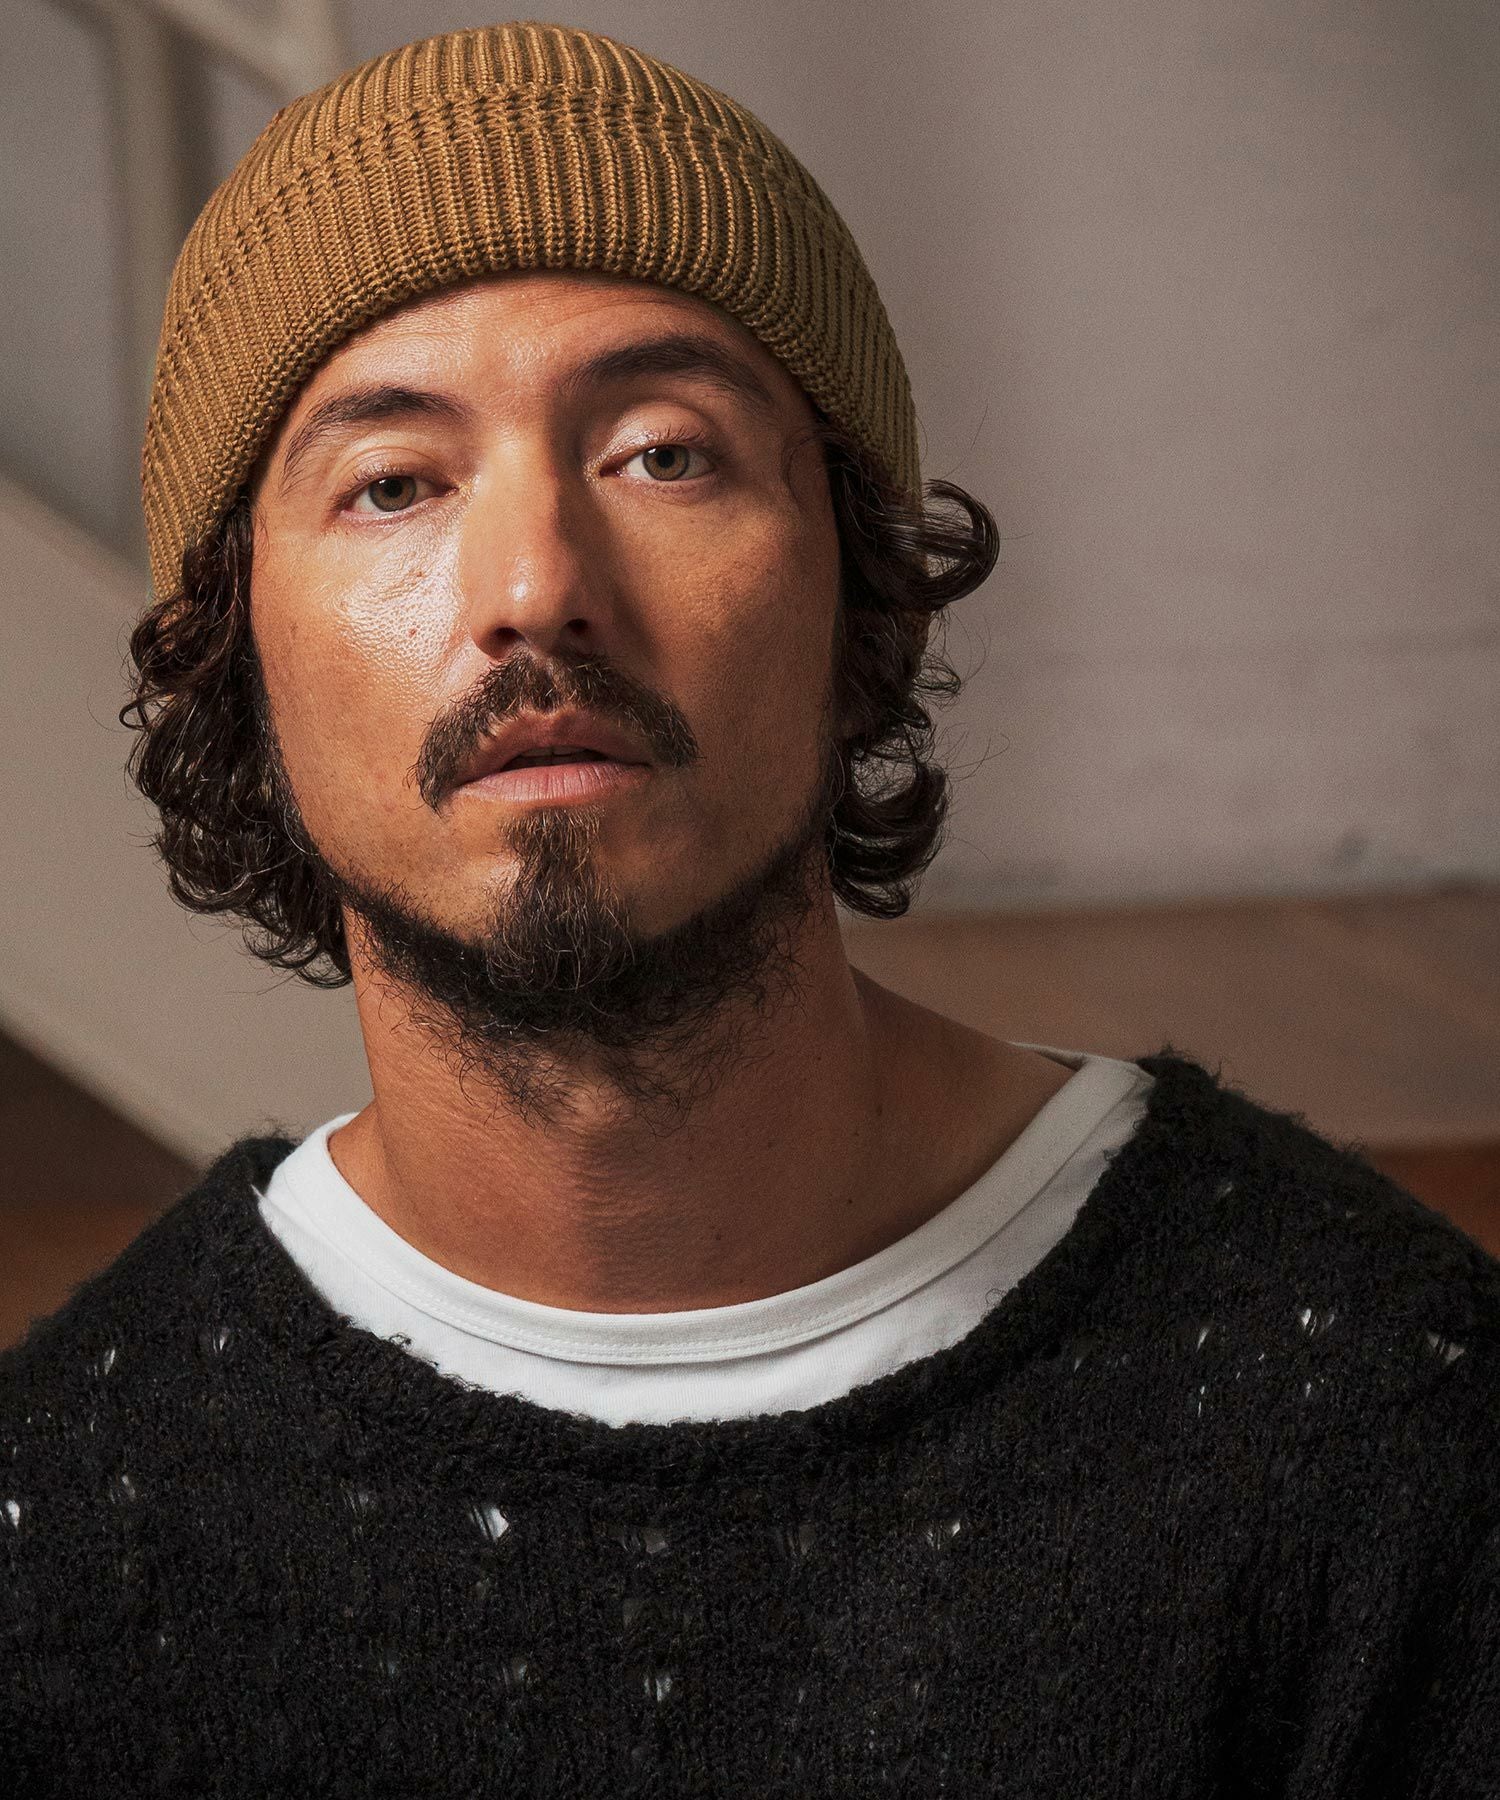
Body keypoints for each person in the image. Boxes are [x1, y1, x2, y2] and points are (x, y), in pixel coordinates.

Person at [3, 20, 1495, 1796]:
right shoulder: (70, 1528)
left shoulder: (1377, 1424)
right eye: (393, 483)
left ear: (863, 590)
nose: (537, 585)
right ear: (236, 660)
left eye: (664, 453)